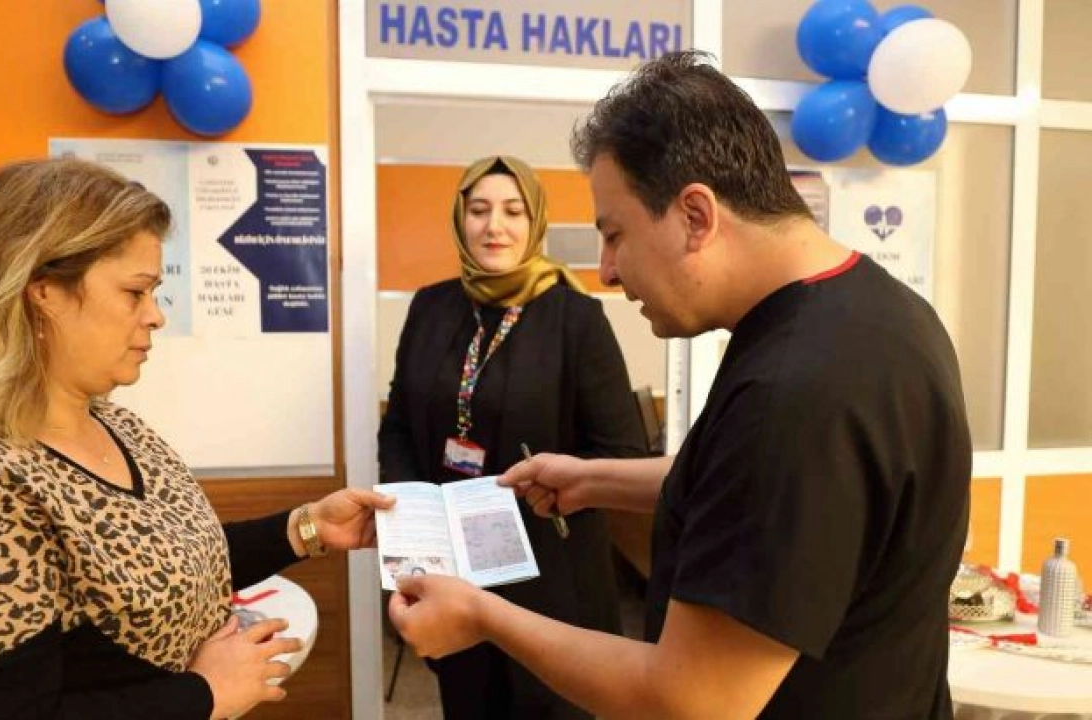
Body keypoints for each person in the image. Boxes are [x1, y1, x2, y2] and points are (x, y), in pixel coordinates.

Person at [389, 52, 971, 719]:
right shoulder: (882, 312)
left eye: (615, 235)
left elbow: (688, 700)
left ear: (695, 215)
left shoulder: (793, 393)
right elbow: (764, 492)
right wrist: (595, 480)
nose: (608, 270)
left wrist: (483, 616)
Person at [0, 158, 395, 720]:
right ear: (43, 293)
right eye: (135, 292)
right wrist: (204, 694)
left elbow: (162, 571)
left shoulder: (116, 424)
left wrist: (307, 528)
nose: (155, 316)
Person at [378, 154, 646, 718]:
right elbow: (398, 424)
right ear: (460, 220)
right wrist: (414, 522)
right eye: (478, 210)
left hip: (552, 574)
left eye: (512, 211)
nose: (494, 226)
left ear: (535, 221)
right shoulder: (430, 308)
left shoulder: (576, 318)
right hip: (454, 570)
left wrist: (556, 484)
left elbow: (622, 452)